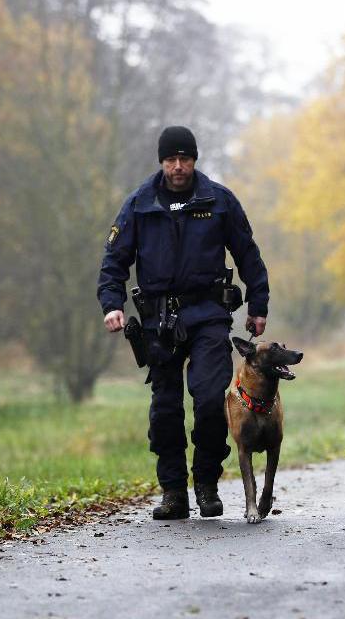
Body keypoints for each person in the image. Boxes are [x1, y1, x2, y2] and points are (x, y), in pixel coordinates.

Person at [97, 125, 270, 520]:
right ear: (162, 161)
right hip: (159, 321)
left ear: (195, 160)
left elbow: (248, 254)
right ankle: (174, 492)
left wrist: (257, 304)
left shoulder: (219, 201)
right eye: (171, 160)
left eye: (185, 159)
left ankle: (206, 483)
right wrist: (112, 303)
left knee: (210, 399)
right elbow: (113, 262)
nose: (178, 167)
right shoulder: (139, 204)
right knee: (165, 409)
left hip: (208, 314)